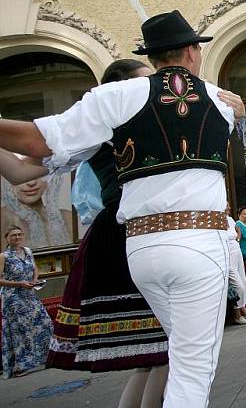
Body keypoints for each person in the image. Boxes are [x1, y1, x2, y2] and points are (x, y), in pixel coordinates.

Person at [0, 10, 242, 406]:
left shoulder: (114, 97)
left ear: (153, 55)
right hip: (200, 242)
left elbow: (34, 142)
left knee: (177, 355)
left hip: (141, 250)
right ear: (193, 52)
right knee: (193, 370)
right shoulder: (221, 101)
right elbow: (226, 113)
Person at [36, 59, 171, 408]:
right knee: (166, 347)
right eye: (144, 82)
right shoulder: (102, 130)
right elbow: (26, 167)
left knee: (155, 355)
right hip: (126, 231)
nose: (150, 89)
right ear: (118, 89)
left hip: (139, 227)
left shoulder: (143, 123)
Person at [1, 225, 52, 378]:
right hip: (13, 297)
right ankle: (20, 365)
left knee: (44, 323)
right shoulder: (4, 256)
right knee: (20, 330)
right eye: (13, 235)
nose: (17, 237)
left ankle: (46, 358)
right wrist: (20, 284)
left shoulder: (28, 251)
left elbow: (34, 268)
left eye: (19, 234)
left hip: (30, 293)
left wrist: (35, 280)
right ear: (7, 238)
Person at [1, 173, 72, 249]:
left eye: (37, 173)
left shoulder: (68, 218)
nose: (32, 183)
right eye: (20, 174)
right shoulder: (3, 220)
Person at [226, 204, 246, 325]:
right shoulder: (218, 219)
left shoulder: (230, 219)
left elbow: (237, 233)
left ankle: (244, 311)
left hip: (236, 250)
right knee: (238, 285)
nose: (229, 208)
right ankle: (237, 314)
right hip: (229, 252)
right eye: (227, 206)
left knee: (243, 281)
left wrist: (238, 237)